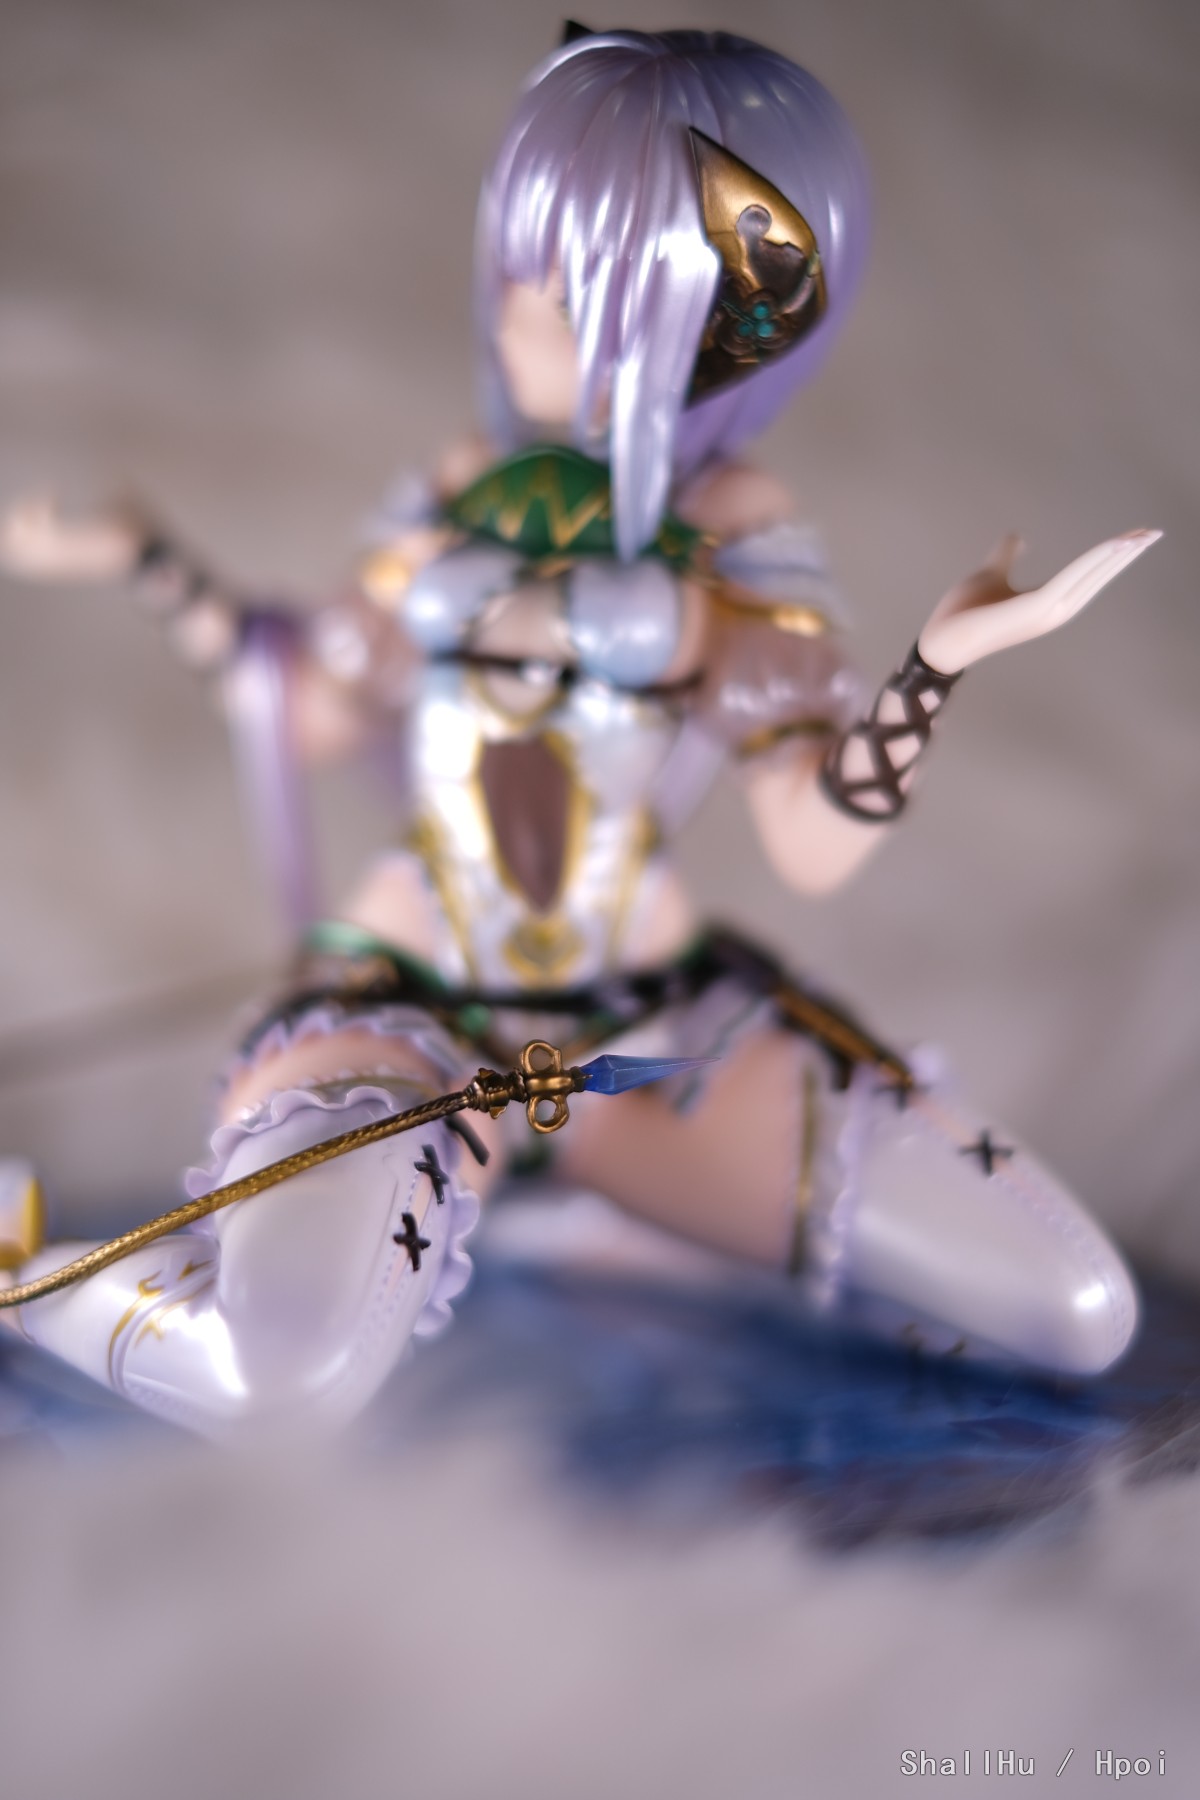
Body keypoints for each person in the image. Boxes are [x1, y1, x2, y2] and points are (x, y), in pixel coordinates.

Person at [0, 28, 1155, 1433]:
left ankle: (640, 1220)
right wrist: (149, 561)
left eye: (559, 284)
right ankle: (16, 1262)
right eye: (521, 268)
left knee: (1078, 1309)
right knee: (276, 1380)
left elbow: (813, 840)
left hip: (653, 1050)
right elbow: (305, 706)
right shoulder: (456, 492)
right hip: (417, 1020)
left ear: (684, 323)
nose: (511, 307)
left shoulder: (738, 537)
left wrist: (935, 667)